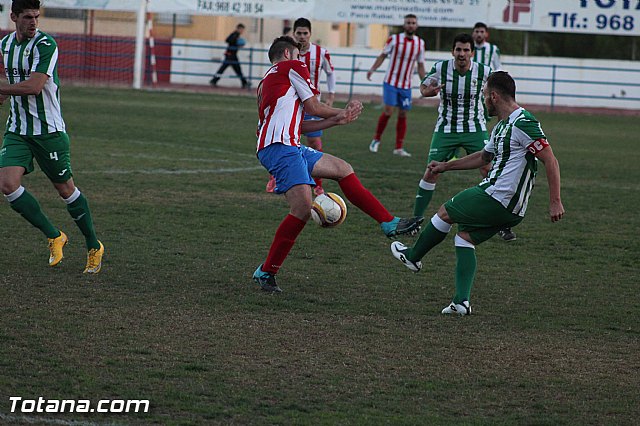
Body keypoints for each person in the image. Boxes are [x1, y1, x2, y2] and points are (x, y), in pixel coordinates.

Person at [253, 36, 424, 293]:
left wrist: (337, 121)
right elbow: (313, 106)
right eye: (299, 55)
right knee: (301, 209)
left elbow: (299, 124)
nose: (303, 61)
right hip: (281, 147)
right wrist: (342, 112)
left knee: (342, 169)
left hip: (285, 144)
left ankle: (388, 222)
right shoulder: (292, 67)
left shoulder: (267, 80)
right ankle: (266, 272)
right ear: (288, 53)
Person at [391, 71, 564, 316]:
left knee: (445, 212)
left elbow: (550, 160)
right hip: (511, 207)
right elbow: (483, 157)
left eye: (484, 96)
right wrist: (445, 166)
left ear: (493, 96)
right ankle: (461, 303)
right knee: (464, 238)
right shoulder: (501, 127)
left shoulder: (523, 122)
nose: (483, 101)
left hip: (498, 196)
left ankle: (413, 256)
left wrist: (555, 201)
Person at [0, 0, 104, 273]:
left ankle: (94, 244)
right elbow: (10, 82)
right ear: (13, 17)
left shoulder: (46, 45)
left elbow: (34, 87)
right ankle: (55, 235)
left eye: (36, 16)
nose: (33, 22)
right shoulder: (6, 45)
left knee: (66, 190)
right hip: (18, 130)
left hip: (49, 131)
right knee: (8, 184)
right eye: (27, 17)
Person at [413, 33, 491, 220]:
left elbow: (497, 93)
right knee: (432, 171)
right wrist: (427, 92)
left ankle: (500, 221)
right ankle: (415, 219)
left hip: (475, 128)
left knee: (489, 170)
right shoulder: (441, 68)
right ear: (452, 51)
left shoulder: (485, 71)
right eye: (458, 49)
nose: (461, 54)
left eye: (466, 50)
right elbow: (423, 88)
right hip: (446, 128)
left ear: (472, 53)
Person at [266, 17, 336, 196]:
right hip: (290, 105)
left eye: (305, 33)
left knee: (313, 141)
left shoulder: (320, 52)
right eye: (299, 33)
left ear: (310, 34)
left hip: (312, 103)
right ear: (294, 34)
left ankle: (318, 183)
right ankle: (277, 175)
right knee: (285, 137)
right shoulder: (287, 54)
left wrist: (331, 95)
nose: (302, 36)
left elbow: (330, 73)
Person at [367, 14, 426, 157]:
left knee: (403, 113)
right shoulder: (394, 39)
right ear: (404, 25)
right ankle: (376, 140)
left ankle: (398, 147)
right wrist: (372, 69)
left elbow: (420, 65)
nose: (410, 25)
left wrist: (425, 82)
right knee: (388, 111)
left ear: (416, 25)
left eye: (413, 23)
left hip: (406, 85)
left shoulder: (420, 43)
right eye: (408, 22)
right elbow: (382, 55)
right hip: (391, 82)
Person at [210, 23, 250, 89]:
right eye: (242, 29)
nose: (242, 31)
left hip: (232, 55)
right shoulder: (234, 34)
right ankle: (244, 83)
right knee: (227, 69)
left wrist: (238, 44)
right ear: (239, 29)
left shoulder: (237, 35)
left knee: (236, 70)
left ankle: (244, 83)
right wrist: (236, 41)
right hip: (230, 55)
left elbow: (233, 43)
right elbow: (228, 40)